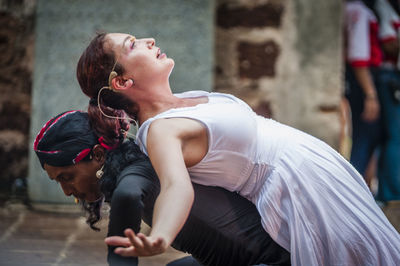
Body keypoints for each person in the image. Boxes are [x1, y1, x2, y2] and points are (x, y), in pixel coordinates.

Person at [76, 32, 400, 266]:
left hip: (315, 173)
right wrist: (160, 235)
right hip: (299, 191)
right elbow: (176, 186)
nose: (147, 40)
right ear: (121, 82)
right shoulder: (160, 131)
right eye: (132, 45)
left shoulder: (181, 101)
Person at [33, 110, 290, 266]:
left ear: (99, 155)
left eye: (67, 177)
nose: (66, 191)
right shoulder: (133, 166)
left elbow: (129, 193)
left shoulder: (136, 173)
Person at [344, 0, 383, 187]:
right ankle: (353, 188)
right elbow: (358, 56)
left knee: (364, 135)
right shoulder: (357, 10)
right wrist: (370, 94)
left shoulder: (352, 9)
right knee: (365, 136)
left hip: (358, 78)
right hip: (363, 79)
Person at [374, 0, 400, 202]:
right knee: (395, 135)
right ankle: (391, 192)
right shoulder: (383, 5)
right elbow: (390, 44)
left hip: (390, 76)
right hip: (389, 76)